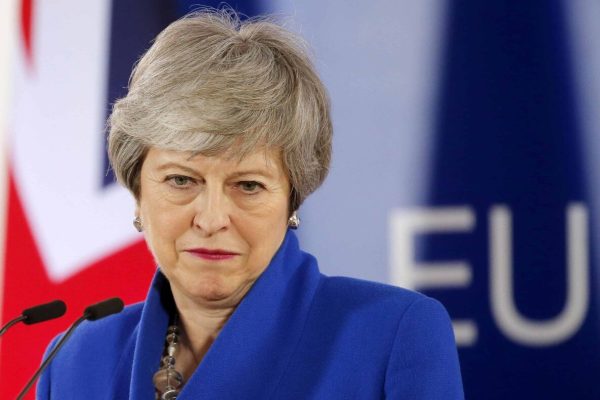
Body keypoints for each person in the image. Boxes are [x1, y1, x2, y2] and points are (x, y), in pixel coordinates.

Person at [37, 9, 464, 400]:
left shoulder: (393, 336)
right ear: (137, 192)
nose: (211, 218)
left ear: (292, 197)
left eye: (248, 185)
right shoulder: (74, 361)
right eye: (181, 180)